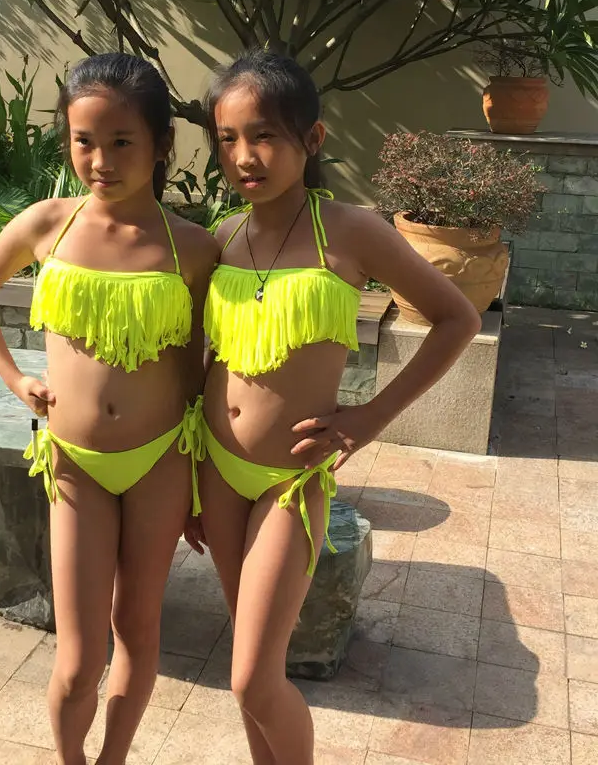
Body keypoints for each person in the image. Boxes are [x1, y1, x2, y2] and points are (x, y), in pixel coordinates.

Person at [194, 49, 482, 764]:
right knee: (248, 677)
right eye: (227, 139)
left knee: (254, 677)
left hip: (290, 481)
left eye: (264, 134)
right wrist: (184, 485)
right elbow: (200, 361)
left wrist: (368, 417)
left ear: (312, 139)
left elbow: (457, 318)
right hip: (215, 472)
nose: (244, 156)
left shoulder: (350, 231)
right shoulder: (223, 237)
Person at [0, 52, 218, 765]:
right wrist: (16, 378)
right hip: (76, 465)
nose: (101, 160)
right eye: (84, 141)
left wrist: (200, 486)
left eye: (122, 141)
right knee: (76, 657)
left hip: (161, 461)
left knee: (137, 631)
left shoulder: (191, 247)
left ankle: (113, 759)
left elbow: (197, 365)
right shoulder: (49, 224)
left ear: (161, 144)